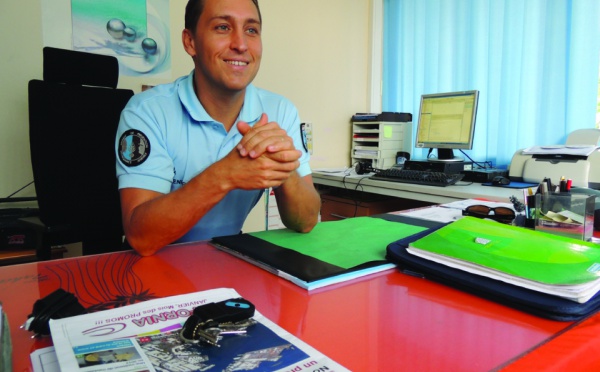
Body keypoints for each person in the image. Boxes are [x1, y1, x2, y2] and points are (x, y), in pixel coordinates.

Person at [115, 0, 321, 256]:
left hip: (229, 255)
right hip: (156, 262)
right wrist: (224, 174)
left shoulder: (280, 111)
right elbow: (141, 237)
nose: (241, 44)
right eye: (223, 27)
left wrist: (282, 167)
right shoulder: (147, 111)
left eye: (251, 30)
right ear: (190, 42)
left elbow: (307, 221)